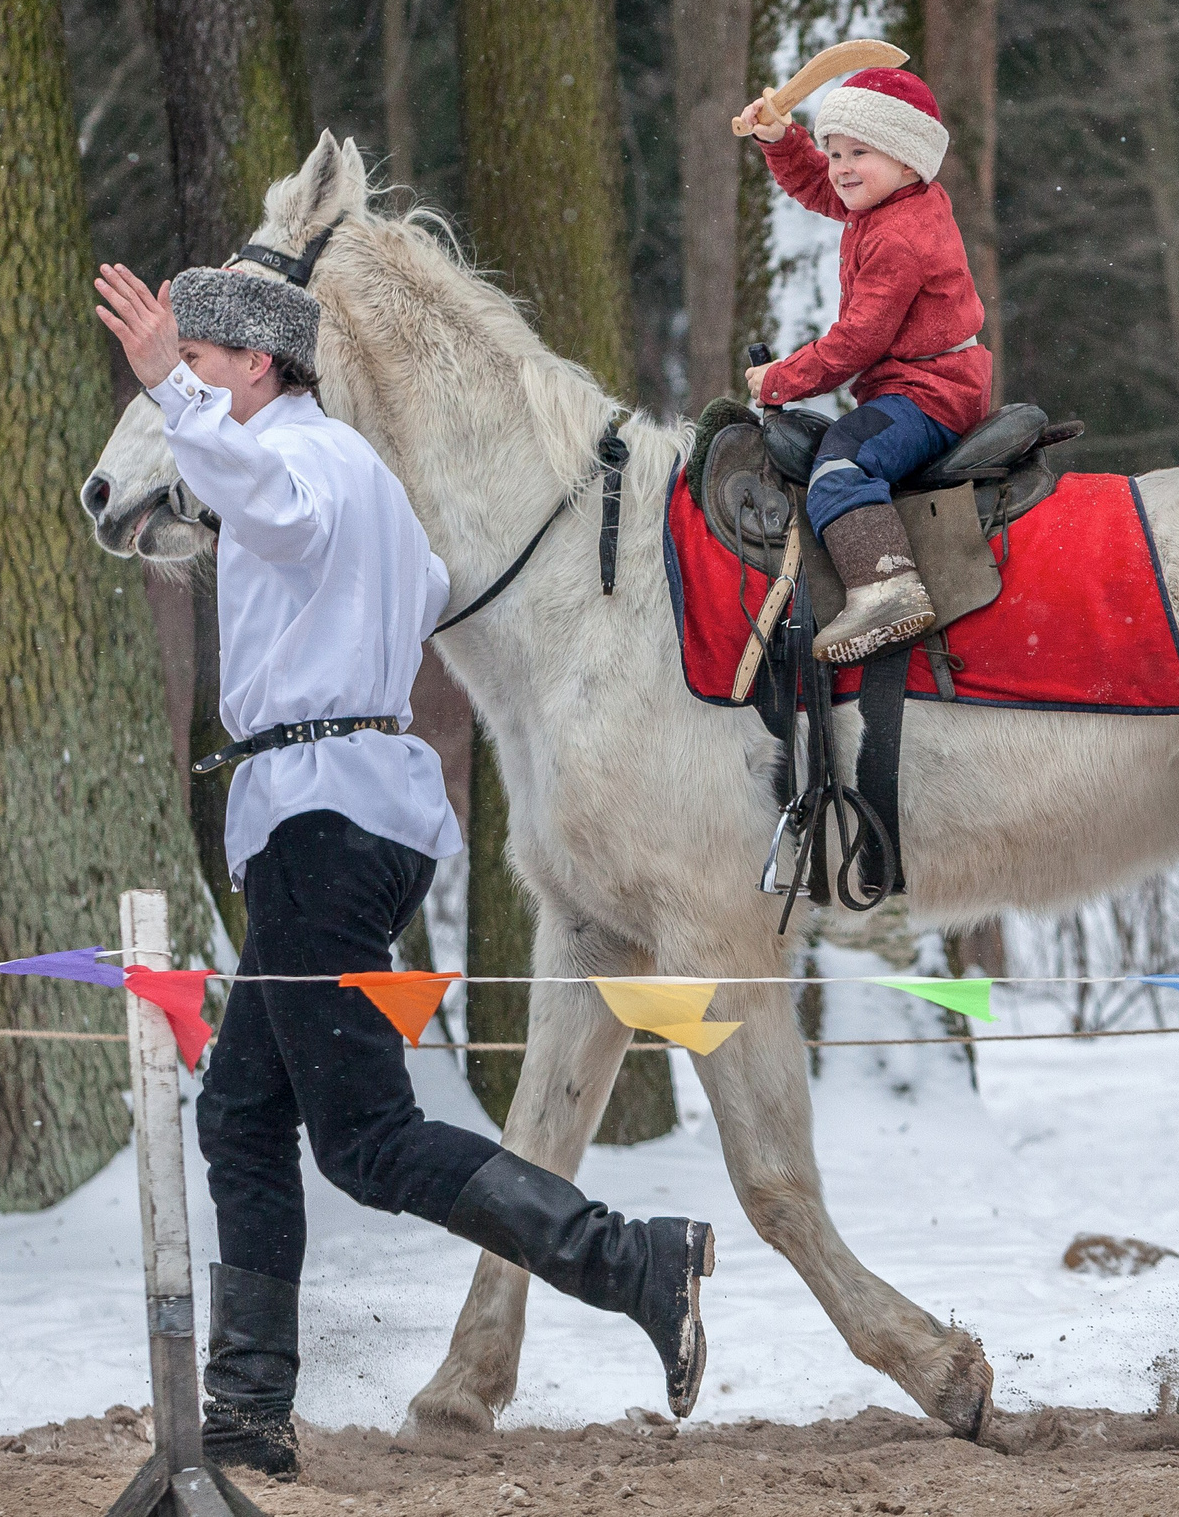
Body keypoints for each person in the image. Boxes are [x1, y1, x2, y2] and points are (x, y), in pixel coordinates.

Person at [92, 259, 716, 1480]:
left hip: (323, 820)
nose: (199, 392)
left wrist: (170, 391)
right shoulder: (353, 482)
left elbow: (264, 499)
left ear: (258, 367)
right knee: (243, 1112)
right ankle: (247, 1410)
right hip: (332, 816)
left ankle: (630, 1260)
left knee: (367, 1138)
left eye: (213, 367)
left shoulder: (304, 467)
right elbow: (409, 583)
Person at [738, 66, 994, 664]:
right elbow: (825, 190)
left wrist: (781, 378)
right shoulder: (886, 203)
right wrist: (782, 140)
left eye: (860, 152)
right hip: (915, 382)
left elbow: (857, 343)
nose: (842, 167)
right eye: (834, 152)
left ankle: (887, 589)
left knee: (841, 462)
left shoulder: (898, 238)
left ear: (909, 162)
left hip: (930, 392)